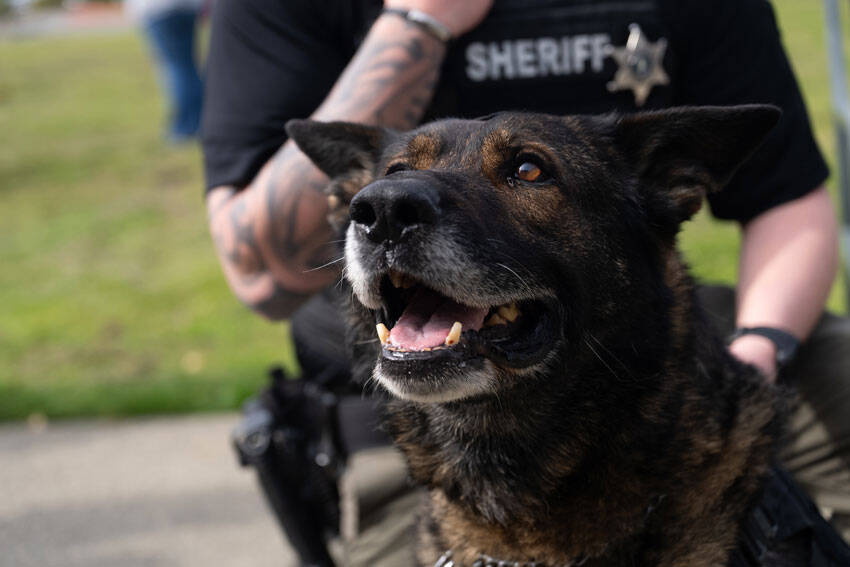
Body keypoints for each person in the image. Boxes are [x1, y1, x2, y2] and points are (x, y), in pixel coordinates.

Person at [201, 0, 850, 563]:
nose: (387, 202)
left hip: (674, 367)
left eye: (527, 171)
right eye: (380, 191)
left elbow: (788, 204)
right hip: (390, 426)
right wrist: (419, 22)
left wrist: (763, 344)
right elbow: (261, 277)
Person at [127, 0, 206, 142]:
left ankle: (185, 127)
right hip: (188, 8)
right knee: (188, 67)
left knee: (177, 68)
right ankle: (199, 122)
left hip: (159, 10)